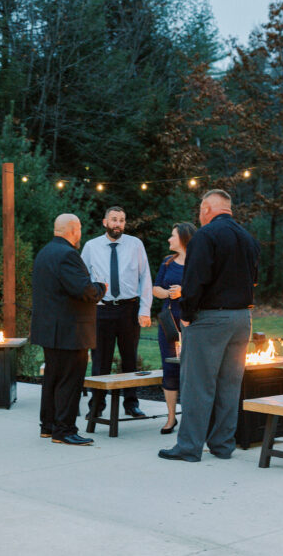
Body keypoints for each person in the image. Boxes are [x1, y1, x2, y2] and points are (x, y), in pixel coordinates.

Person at [159, 190, 260, 463]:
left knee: (197, 384)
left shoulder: (206, 236)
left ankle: (189, 447)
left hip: (211, 319)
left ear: (206, 209)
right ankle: (223, 445)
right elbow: (255, 278)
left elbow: (196, 279)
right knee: (229, 385)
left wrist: (187, 315)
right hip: (242, 319)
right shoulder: (247, 238)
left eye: (200, 211)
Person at [31, 214, 107, 445]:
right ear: (73, 230)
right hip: (70, 331)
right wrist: (100, 287)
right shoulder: (68, 255)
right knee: (69, 381)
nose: (80, 234)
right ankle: (64, 430)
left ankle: (49, 425)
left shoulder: (44, 252)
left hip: (51, 330)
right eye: (80, 229)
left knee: (53, 379)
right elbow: (84, 291)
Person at [81, 206, 153, 419]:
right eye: (114, 219)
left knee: (129, 359)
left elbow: (145, 277)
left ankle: (131, 404)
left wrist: (145, 310)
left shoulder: (135, 245)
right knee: (100, 360)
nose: (118, 224)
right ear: (105, 222)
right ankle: (97, 405)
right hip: (101, 310)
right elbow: (82, 278)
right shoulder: (91, 247)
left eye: (121, 220)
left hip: (128, 309)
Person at [152, 222, 197, 434]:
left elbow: (203, 290)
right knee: (169, 368)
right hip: (168, 323)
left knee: (192, 370)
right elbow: (156, 288)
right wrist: (167, 293)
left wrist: (183, 292)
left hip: (192, 322)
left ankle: (191, 417)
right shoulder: (167, 263)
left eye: (172, 236)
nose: (169, 239)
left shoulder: (198, 263)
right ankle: (171, 418)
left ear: (183, 238)